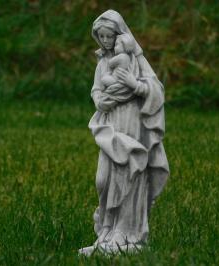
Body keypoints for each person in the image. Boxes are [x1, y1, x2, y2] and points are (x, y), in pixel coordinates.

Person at [87, 10, 169, 252]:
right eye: (100, 37)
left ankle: (127, 234)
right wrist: (100, 100)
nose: (104, 41)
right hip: (110, 123)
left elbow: (156, 90)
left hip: (132, 122)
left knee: (130, 173)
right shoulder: (103, 63)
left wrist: (135, 85)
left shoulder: (135, 61)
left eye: (108, 36)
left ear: (119, 35)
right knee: (103, 179)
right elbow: (95, 90)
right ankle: (106, 230)